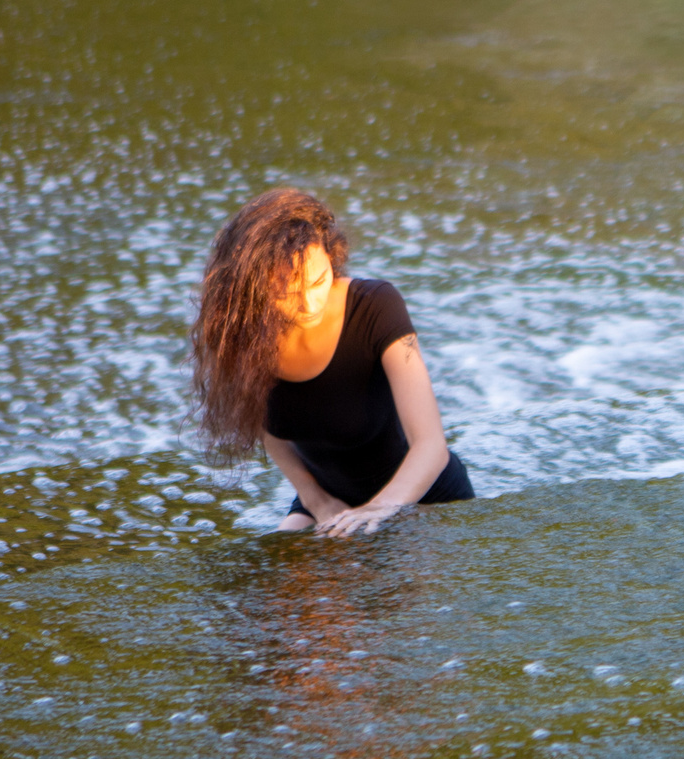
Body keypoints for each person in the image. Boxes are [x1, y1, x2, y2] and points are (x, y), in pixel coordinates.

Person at [189, 187, 472, 537]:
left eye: (319, 281)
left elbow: (431, 446)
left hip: (423, 495)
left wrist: (376, 510)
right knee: (266, 577)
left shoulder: (375, 307)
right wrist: (317, 501)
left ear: (331, 255)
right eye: (286, 294)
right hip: (326, 502)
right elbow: (270, 430)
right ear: (256, 289)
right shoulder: (241, 334)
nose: (309, 304)